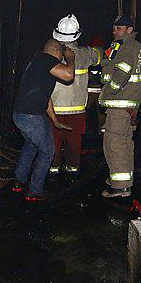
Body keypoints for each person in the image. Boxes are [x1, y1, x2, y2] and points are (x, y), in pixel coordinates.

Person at [11, 39, 75, 202]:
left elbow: (46, 99)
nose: (62, 57)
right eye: (61, 53)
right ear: (57, 52)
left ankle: (19, 180)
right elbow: (68, 75)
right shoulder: (46, 60)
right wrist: (71, 59)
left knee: (31, 146)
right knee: (47, 151)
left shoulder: (38, 62)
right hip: (31, 117)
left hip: (22, 115)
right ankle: (34, 191)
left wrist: (55, 121)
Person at [49, 14, 103, 174]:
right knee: (74, 143)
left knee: (53, 143)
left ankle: (53, 171)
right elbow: (100, 54)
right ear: (77, 34)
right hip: (77, 110)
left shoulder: (50, 54)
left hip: (53, 110)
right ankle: (72, 171)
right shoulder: (85, 54)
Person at [99, 15, 141, 198]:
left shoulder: (128, 47)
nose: (114, 30)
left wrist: (108, 91)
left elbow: (122, 74)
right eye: (114, 27)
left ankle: (120, 188)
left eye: (119, 27)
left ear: (129, 29)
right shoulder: (134, 47)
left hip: (120, 105)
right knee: (125, 144)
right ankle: (123, 180)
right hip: (129, 105)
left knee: (114, 144)